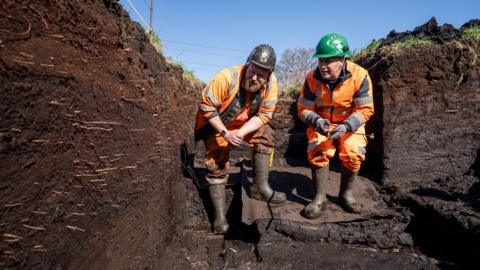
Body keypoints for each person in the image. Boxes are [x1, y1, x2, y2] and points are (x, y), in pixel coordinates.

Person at [194, 44, 287, 234]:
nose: (255, 78)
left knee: (266, 132)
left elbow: (265, 115)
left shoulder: (272, 84)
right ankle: (219, 217)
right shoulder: (227, 77)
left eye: (261, 75)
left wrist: (241, 132)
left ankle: (260, 188)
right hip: (216, 124)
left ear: (269, 74)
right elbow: (207, 106)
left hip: (242, 124)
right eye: (253, 71)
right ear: (247, 65)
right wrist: (225, 133)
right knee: (217, 161)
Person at [296, 33, 374, 219]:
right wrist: (317, 121)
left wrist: (347, 126)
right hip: (322, 123)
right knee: (317, 149)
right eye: (320, 61)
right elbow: (303, 108)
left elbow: (365, 109)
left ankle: (345, 194)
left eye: (328, 61)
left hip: (350, 123)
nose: (322, 66)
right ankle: (319, 198)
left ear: (342, 59)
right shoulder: (311, 78)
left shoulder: (360, 76)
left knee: (353, 152)